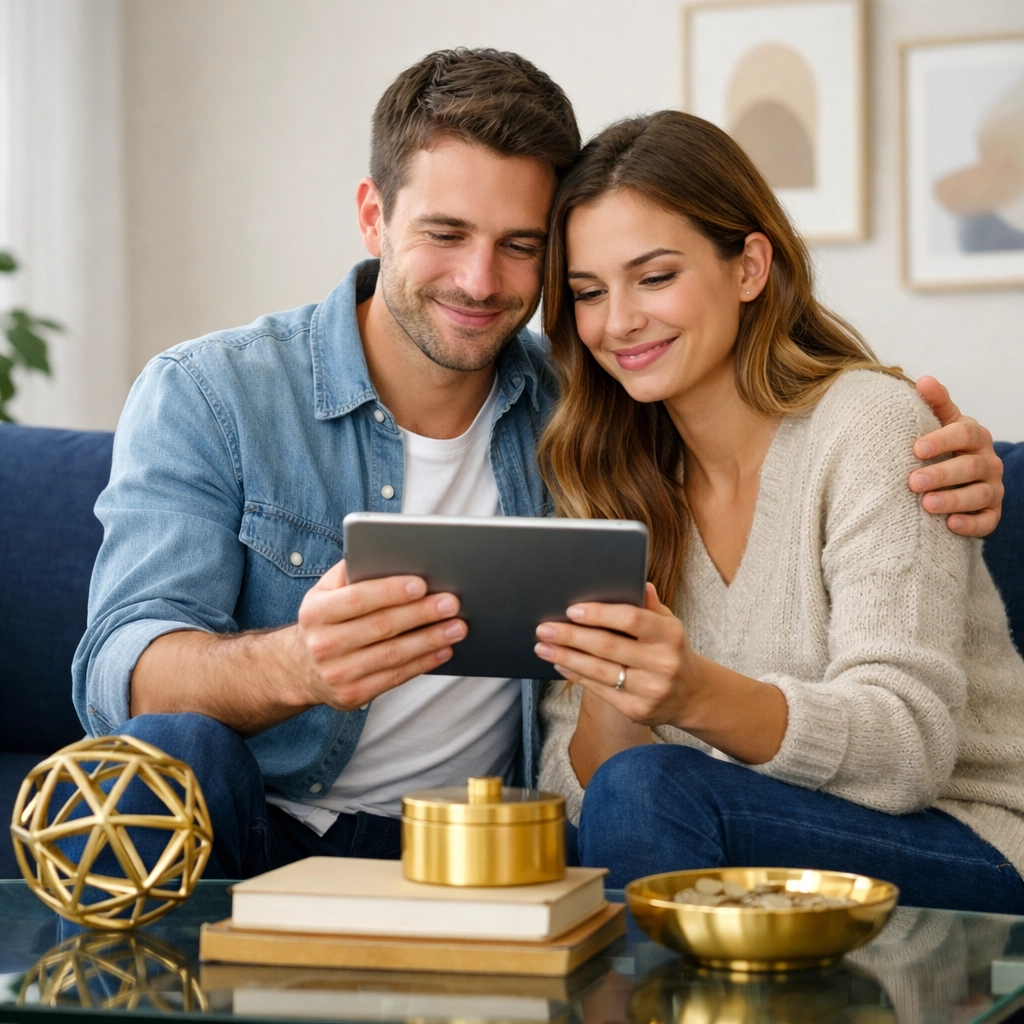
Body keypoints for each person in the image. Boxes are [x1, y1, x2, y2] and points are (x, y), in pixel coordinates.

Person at [73, 50, 1004, 881]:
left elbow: (631, 787)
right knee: (164, 750)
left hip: (500, 841)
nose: (481, 282)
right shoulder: (215, 394)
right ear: (373, 216)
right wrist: (298, 666)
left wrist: (961, 458)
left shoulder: (586, 414)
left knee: (645, 793)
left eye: (520, 246)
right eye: (445, 233)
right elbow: (119, 670)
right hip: (271, 818)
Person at [534, 110, 1024, 913]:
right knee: (628, 792)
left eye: (655, 278)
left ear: (750, 266)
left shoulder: (869, 427)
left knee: (652, 792)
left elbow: (909, 746)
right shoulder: (606, 475)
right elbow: (577, 791)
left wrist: (691, 694)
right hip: (746, 843)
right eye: (589, 293)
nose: (617, 322)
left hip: (963, 839)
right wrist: (616, 687)